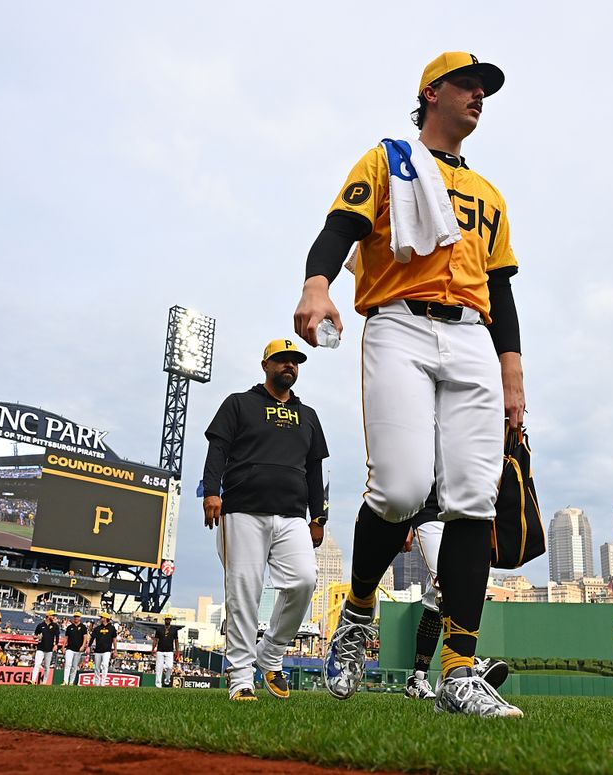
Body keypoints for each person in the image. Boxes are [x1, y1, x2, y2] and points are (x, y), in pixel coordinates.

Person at [293, 51, 525, 718]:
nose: (480, 95)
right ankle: (358, 610)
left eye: (486, 89)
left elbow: (502, 289)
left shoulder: (490, 193)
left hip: (474, 337)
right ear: (432, 92)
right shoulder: (389, 159)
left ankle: (458, 672)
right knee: (399, 490)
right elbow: (341, 228)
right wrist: (318, 284)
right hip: (399, 320)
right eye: (468, 84)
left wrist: (513, 371)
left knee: (473, 500)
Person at [202, 339, 328, 702]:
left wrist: (318, 516)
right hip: (242, 509)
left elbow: (315, 469)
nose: (289, 366)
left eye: (294, 361)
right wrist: (213, 491)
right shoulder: (240, 403)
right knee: (244, 591)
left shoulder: (309, 416)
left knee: (304, 581)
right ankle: (241, 677)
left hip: (292, 515)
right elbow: (218, 449)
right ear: (265, 365)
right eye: (281, 360)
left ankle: (270, 652)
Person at [402, 488, 508, 700]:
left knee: (435, 598)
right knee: (450, 583)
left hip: (463, 511)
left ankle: (417, 680)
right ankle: (463, 663)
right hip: (429, 512)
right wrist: (403, 521)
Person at [151, 615, 180, 689]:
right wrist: (153, 649)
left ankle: (167, 679)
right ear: (165, 620)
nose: (168, 620)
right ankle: (158, 684)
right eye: (166, 619)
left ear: (171, 620)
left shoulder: (174, 630)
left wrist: (177, 651)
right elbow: (155, 640)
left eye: (169, 619)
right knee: (158, 668)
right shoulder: (159, 629)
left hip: (170, 651)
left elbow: (176, 641)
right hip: (160, 650)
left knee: (170, 666)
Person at [32, 610, 60, 684]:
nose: (54, 617)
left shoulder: (55, 626)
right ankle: (33, 680)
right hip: (40, 647)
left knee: (47, 667)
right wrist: (37, 637)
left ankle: (44, 682)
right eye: (52, 615)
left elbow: (57, 636)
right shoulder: (40, 625)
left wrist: (56, 644)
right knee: (37, 664)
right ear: (48, 616)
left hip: (49, 649)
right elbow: (35, 635)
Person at [90, 611, 118, 686]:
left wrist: (115, 650)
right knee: (97, 667)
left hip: (107, 650)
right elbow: (92, 638)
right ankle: (97, 682)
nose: (101, 618)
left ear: (106, 618)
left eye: (102, 617)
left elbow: (114, 640)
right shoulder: (97, 628)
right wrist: (89, 646)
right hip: (98, 650)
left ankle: (103, 682)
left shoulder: (112, 628)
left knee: (105, 665)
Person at [63, 611, 89, 685]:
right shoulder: (69, 627)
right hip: (69, 648)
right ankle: (65, 681)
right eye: (75, 617)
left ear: (80, 618)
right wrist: (63, 646)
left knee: (74, 666)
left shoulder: (83, 627)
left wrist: (83, 646)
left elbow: (85, 638)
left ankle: (71, 682)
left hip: (78, 649)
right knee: (68, 664)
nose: (76, 618)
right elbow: (66, 638)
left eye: (77, 617)